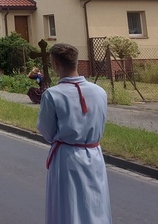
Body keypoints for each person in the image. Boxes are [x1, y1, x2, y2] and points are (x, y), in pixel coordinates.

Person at [37, 43, 112, 224]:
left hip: (66, 157)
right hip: (94, 154)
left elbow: (47, 131)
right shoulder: (100, 92)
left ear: (55, 64)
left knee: (68, 205)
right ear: (76, 63)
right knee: (94, 203)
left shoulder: (52, 95)